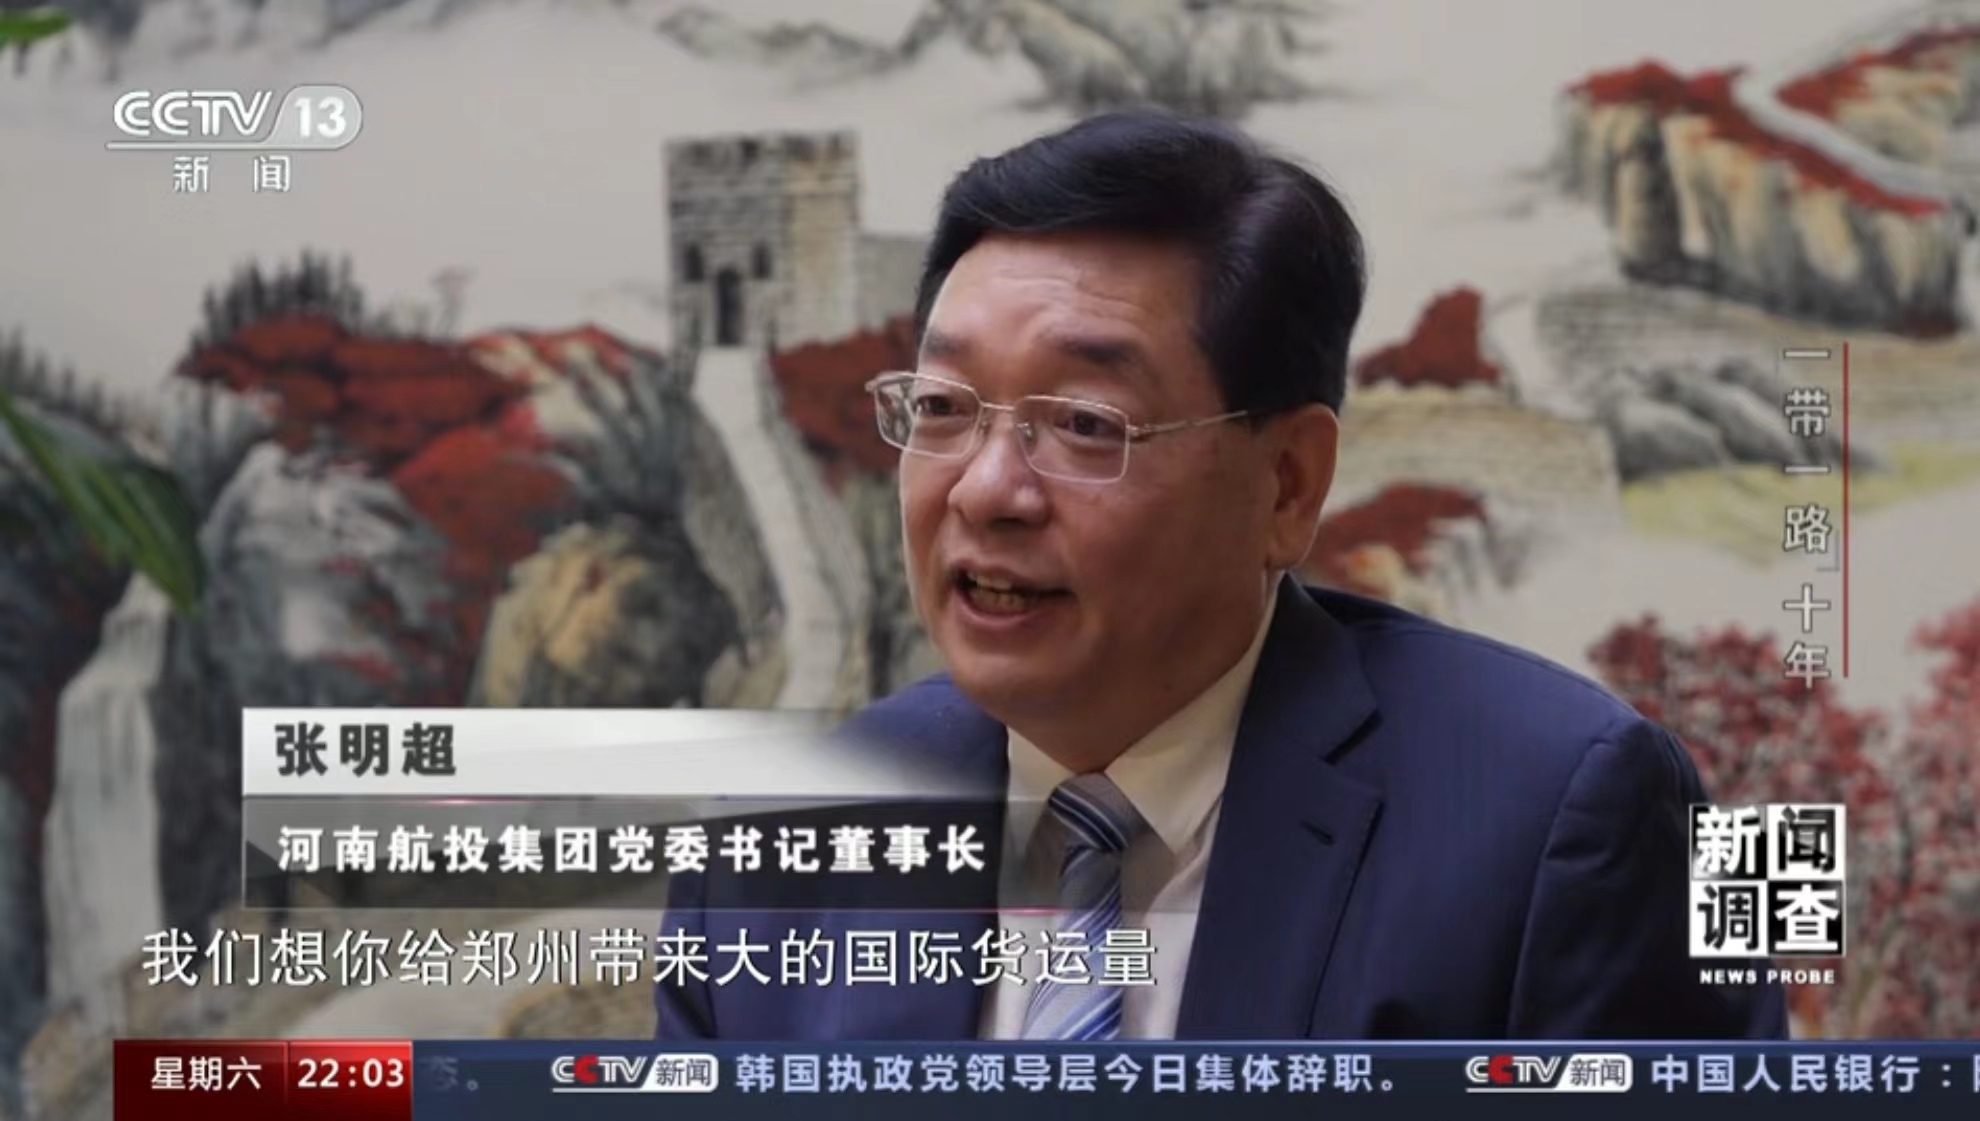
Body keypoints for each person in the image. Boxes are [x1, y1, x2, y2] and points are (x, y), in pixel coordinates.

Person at [655, 109, 1787, 1041]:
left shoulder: (1576, 813)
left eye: (1086, 422)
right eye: (944, 408)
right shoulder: (778, 849)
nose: (988, 490)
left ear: (1287, 485)